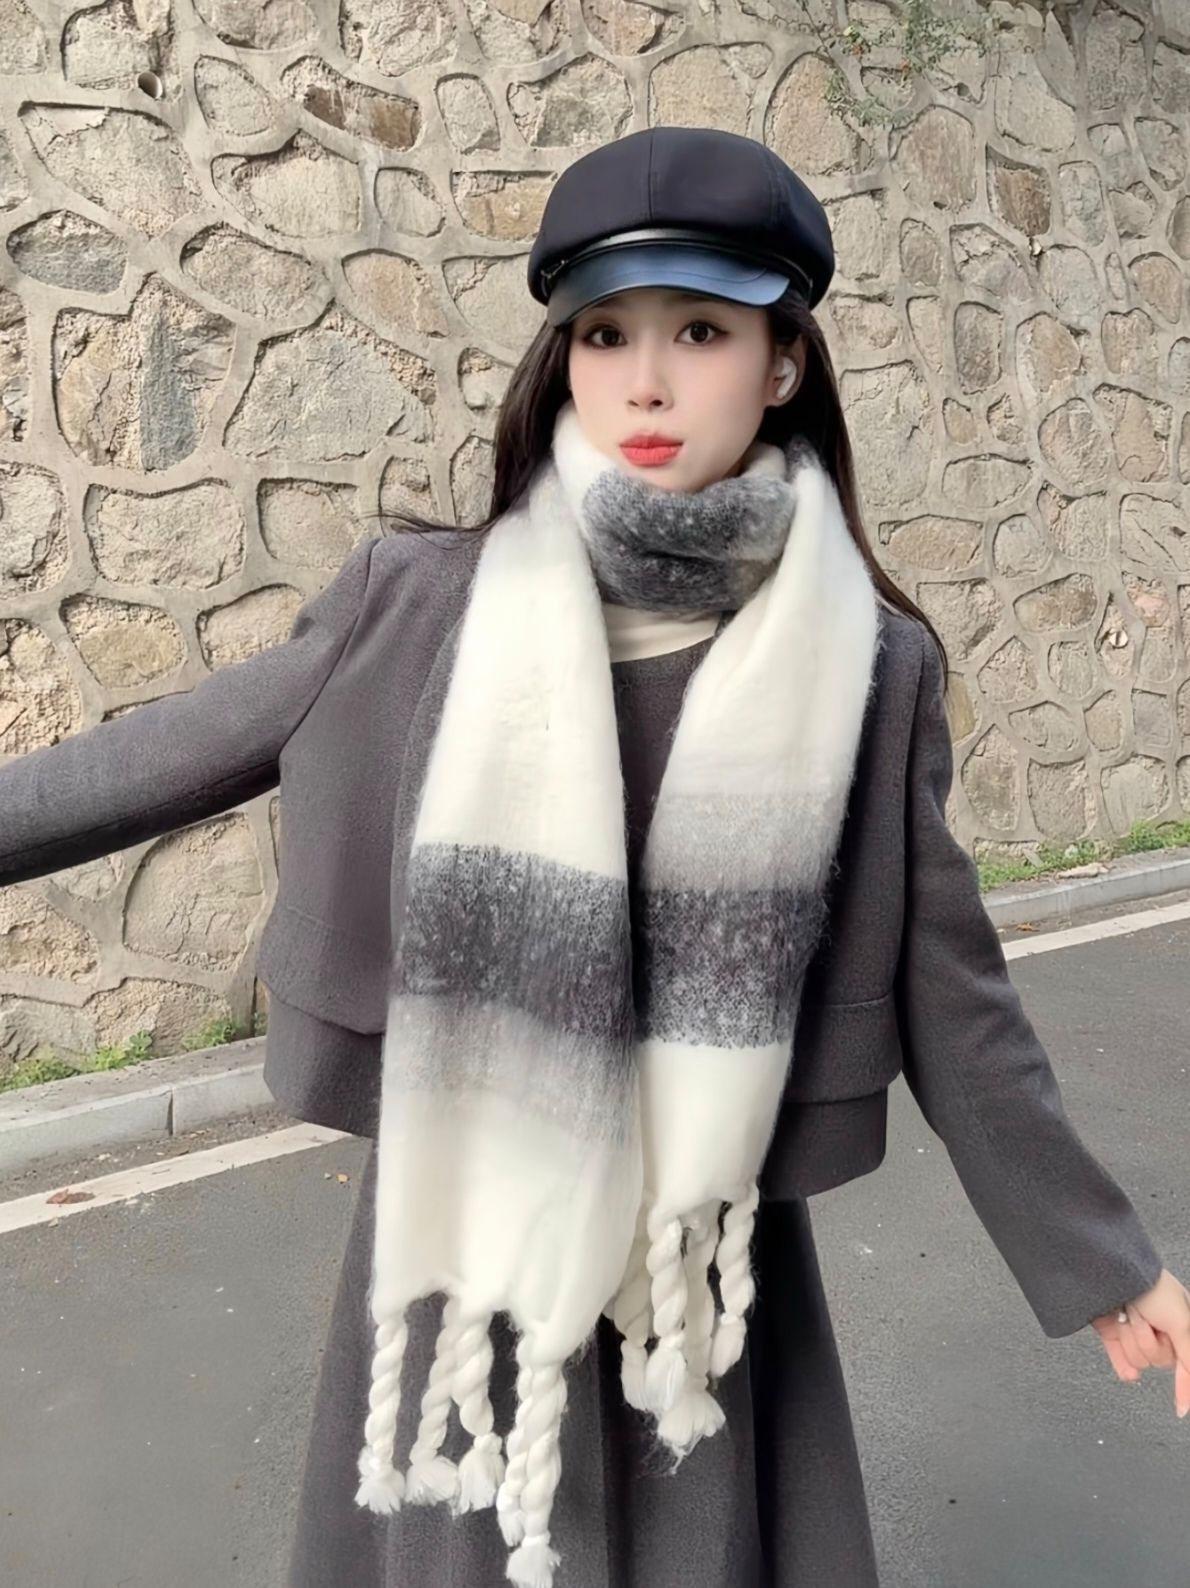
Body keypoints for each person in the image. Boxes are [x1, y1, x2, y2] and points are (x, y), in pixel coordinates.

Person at [0, 126, 1186, 1588]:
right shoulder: (418, 603)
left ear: (783, 363)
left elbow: (956, 994)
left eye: (702, 330)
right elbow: (145, 762)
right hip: (466, 1240)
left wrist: (1103, 1259)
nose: (645, 381)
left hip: (695, 1270)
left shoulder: (867, 666)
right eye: (607, 333)